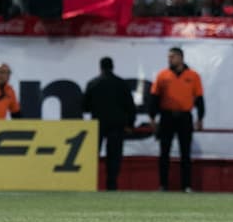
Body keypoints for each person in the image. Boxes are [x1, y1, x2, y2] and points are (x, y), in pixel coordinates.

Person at [149, 46, 204, 192]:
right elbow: (154, 98)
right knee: (164, 152)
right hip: (167, 116)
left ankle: (186, 185)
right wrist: (152, 117)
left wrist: (200, 118)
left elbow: (199, 99)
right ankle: (163, 185)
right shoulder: (163, 75)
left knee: (185, 153)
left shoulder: (193, 76)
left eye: (172, 56)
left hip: (184, 117)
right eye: (169, 57)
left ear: (180, 58)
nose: (170, 59)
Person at [83, 56, 137, 191]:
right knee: (114, 157)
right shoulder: (121, 84)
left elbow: (84, 106)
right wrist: (130, 124)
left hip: (98, 124)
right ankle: (111, 185)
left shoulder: (93, 83)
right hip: (117, 124)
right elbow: (130, 106)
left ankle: (90, 183)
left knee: (93, 155)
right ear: (112, 67)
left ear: (100, 67)